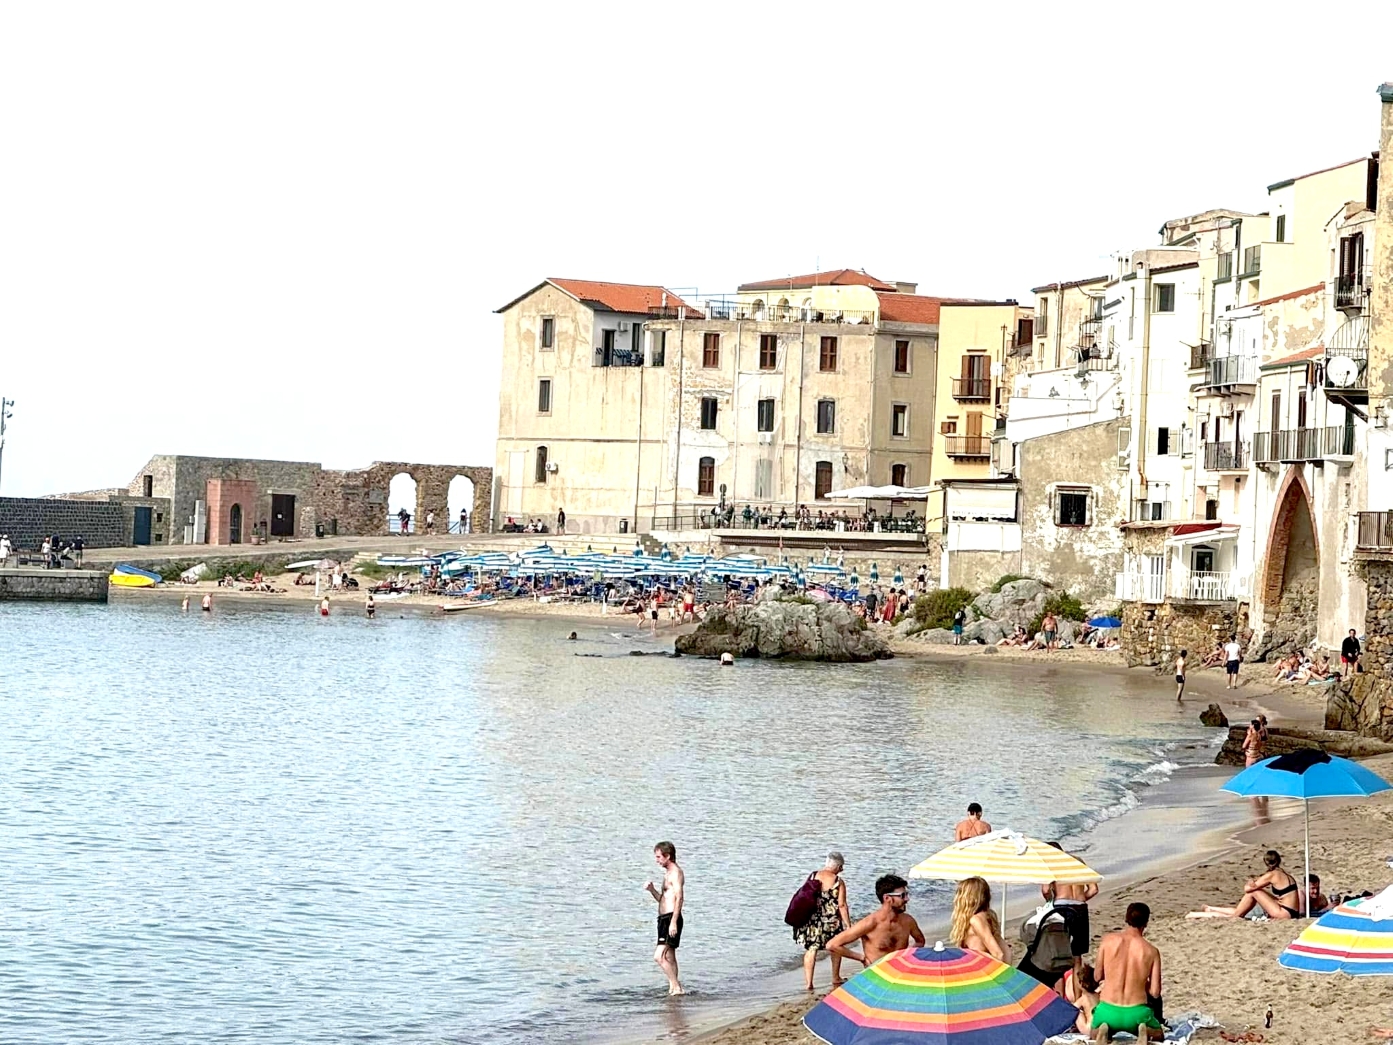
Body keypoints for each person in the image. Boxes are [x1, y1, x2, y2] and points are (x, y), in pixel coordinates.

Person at [1092, 902, 1164, 1043]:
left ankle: (1105, 1029)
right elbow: (1155, 992)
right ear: (1146, 922)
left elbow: (1097, 976)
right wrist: (1141, 981)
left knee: (1093, 1033)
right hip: (1136, 1011)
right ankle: (1144, 1030)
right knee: (1159, 1035)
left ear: (1126, 918)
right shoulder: (1151, 951)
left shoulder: (1108, 941)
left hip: (1108, 1009)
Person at [827, 874, 925, 969]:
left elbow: (920, 941)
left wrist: (906, 957)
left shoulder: (908, 921)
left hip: (899, 972)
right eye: (902, 895)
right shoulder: (870, 923)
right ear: (887, 898)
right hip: (876, 975)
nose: (907, 899)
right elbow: (832, 945)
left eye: (906, 894)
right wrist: (862, 958)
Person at [793, 852, 852, 991]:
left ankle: (809, 983)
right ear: (837, 866)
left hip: (812, 920)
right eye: (841, 867)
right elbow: (842, 905)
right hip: (831, 922)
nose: (842, 870)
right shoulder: (838, 881)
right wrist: (848, 925)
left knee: (811, 949)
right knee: (835, 947)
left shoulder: (813, 876)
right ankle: (835, 977)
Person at [1189, 850, 1300, 920]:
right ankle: (1210, 908)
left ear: (1266, 863)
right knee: (1252, 897)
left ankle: (1196, 914)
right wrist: (1255, 883)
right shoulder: (1286, 875)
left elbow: (1248, 889)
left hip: (1284, 913)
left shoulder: (1272, 875)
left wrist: (1250, 882)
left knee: (1253, 893)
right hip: (1291, 911)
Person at [644, 841, 685, 995]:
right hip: (663, 919)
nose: (657, 860)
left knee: (658, 957)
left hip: (670, 919)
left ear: (668, 856)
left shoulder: (676, 873)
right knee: (669, 956)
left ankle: (677, 987)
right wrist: (651, 890)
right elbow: (663, 899)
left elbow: (680, 898)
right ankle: (672, 988)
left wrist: (673, 922)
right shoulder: (667, 874)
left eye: (659, 857)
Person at [949, 876, 1005, 960]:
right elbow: (1006, 951)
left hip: (978, 966)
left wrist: (1000, 972)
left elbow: (998, 953)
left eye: (959, 892)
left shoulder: (976, 920)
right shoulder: (988, 915)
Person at [1061, 963, 1100, 1035]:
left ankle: (1072, 1027)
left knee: (1076, 1011)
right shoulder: (1098, 996)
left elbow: (1071, 1010)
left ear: (1081, 983)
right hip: (1098, 1029)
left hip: (1088, 1030)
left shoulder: (1084, 998)